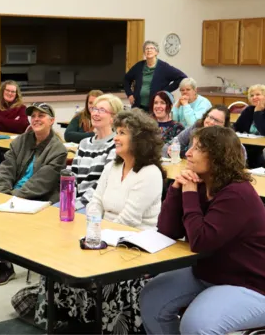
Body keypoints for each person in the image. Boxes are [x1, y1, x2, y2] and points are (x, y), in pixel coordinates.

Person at [12, 109, 166, 334]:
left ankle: (99, 324)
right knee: (57, 265)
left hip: (133, 247)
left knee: (98, 273)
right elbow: (95, 202)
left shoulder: (150, 173)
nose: (116, 137)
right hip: (102, 236)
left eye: (122, 132)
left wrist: (97, 236)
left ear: (139, 140)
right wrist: (94, 231)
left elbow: (128, 220)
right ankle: (70, 319)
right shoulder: (113, 166)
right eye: (116, 131)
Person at [140, 126, 265, 334]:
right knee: (152, 298)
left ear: (217, 156)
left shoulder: (236, 194)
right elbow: (167, 232)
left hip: (253, 285)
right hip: (211, 272)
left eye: (197, 148)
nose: (187, 152)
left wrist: (189, 194)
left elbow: (200, 241)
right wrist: (175, 190)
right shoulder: (201, 184)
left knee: (196, 325)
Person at [0, 102, 67, 286]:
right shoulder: (20, 141)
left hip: (38, 198)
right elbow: (6, 169)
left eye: (41, 116)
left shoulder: (58, 149)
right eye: (33, 116)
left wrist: (13, 197)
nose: (36, 119)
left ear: (52, 121)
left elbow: (42, 183)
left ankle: (6, 264)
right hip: (11, 194)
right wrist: (2, 194)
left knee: (4, 217)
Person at [69, 94, 123, 211]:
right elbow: (72, 176)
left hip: (96, 206)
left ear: (113, 118)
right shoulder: (84, 143)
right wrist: (69, 201)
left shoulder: (116, 144)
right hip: (76, 203)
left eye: (102, 110)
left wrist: (77, 205)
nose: (95, 113)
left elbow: (104, 184)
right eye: (94, 109)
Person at [0, 80, 29, 181]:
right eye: (7, 90)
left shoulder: (21, 108)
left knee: (9, 159)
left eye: (13, 92)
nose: (10, 93)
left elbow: (22, 125)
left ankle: (4, 182)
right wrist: (12, 122)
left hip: (13, 145)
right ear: (2, 91)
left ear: (16, 94)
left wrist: (0, 120)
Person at [162, 104, 246, 160]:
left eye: (216, 120)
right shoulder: (196, 127)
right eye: (210, 117)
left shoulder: (228, 137)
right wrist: (169, 152)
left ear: (224, 125)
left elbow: (242, 155)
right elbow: (168, 146)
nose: (211, 122)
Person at [124, 40, 186, 111]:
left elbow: (182, 77)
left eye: (152, 48)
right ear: (144, 53)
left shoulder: (164, 67)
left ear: (157, 52)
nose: (149, 50)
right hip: (138, 106)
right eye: (147, 49)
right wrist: (130, 94)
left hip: (155, 107)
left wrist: (165, 91)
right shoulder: (139, 66)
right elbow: (126, 79)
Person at [234, 84, 265, 168]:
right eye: (252, 95)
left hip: (263, 148)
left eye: (258, 94)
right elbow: (237, 127)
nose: (254, 97)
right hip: (248, 145)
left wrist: (257, 112)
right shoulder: (248, 110)